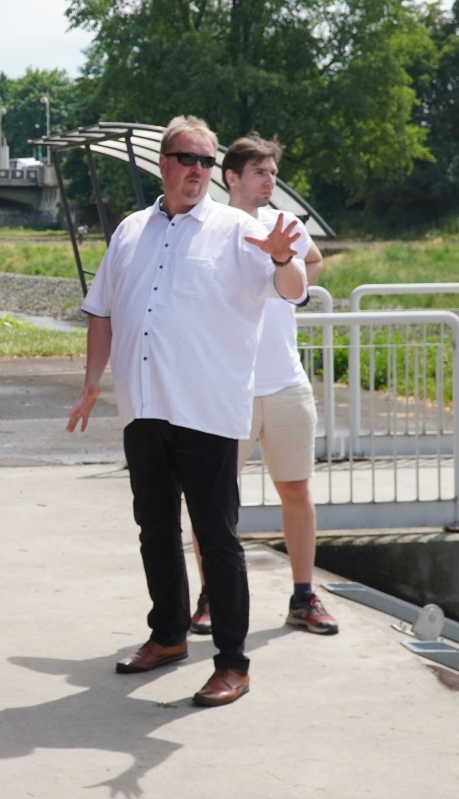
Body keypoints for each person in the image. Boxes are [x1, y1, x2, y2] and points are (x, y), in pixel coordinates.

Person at [66, 115, 306, 709]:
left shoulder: (236, 229)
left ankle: (232, 662)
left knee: (217, 537)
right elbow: (101, 310)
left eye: (207, 161)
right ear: (164, 163)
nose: (199, 170)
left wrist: (281, 260)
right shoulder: (130, 231)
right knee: (154, 529)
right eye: (188, 159)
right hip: (144, 406)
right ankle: (169, 635)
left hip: (209, 410)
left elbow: (293, 289)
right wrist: (94, 382)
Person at [211, 134, 337, 636]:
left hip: (285, 380)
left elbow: (314, 261)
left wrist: (296, 265)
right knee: (215, 499)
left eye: (273, 173)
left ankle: (304, 597)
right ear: (233, 178)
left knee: (297, 490)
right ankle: (210, 598)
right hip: (226, 385)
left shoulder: (283, 225)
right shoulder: (213, 228)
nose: (270, 182)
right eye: (260, 173)